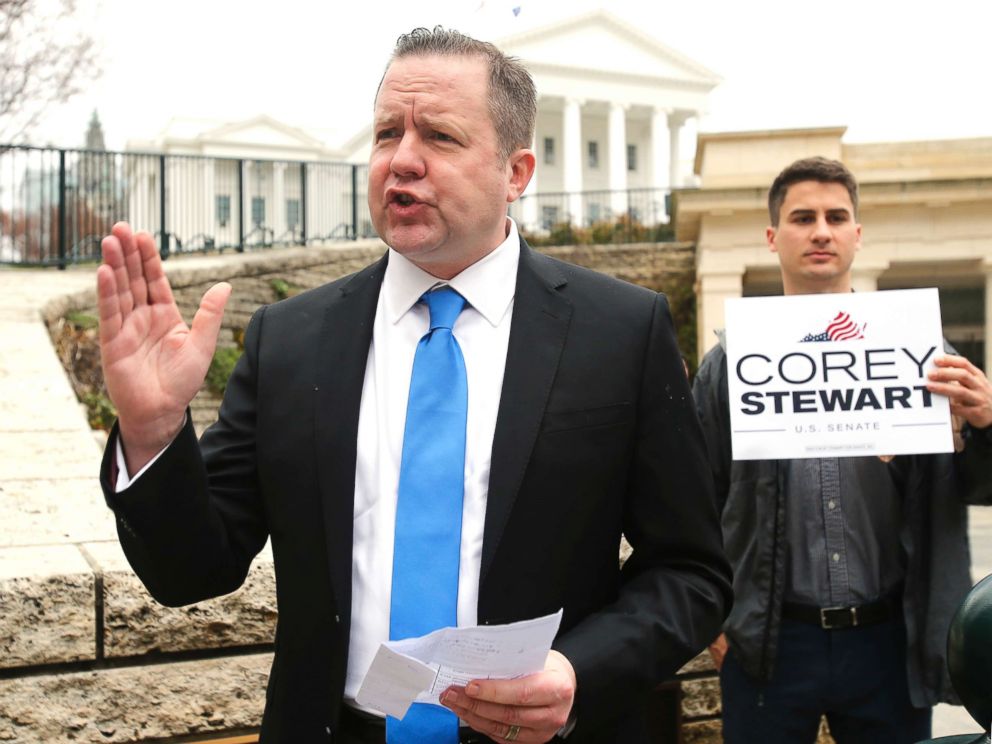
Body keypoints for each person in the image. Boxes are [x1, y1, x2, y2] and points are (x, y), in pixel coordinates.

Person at [96, 27, 731, 744]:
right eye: (387, 133)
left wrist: (578, 672)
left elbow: (690, 573)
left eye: (440, 136)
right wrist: (151, 431)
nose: (402, 160)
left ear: (517, 172)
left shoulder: (620, 331)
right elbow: (191, 572)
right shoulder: (291, 341)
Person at [692, 156, 992, 743]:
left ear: (858, 235)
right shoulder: (730, 366)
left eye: (837, 216)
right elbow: (696, 499)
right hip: (768, 643)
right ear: (774, 237)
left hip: (888, 641)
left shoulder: (927, 354)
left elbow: (979, 487)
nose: (822, 231)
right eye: (803, 217)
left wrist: (985, 424)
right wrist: (717, 619)